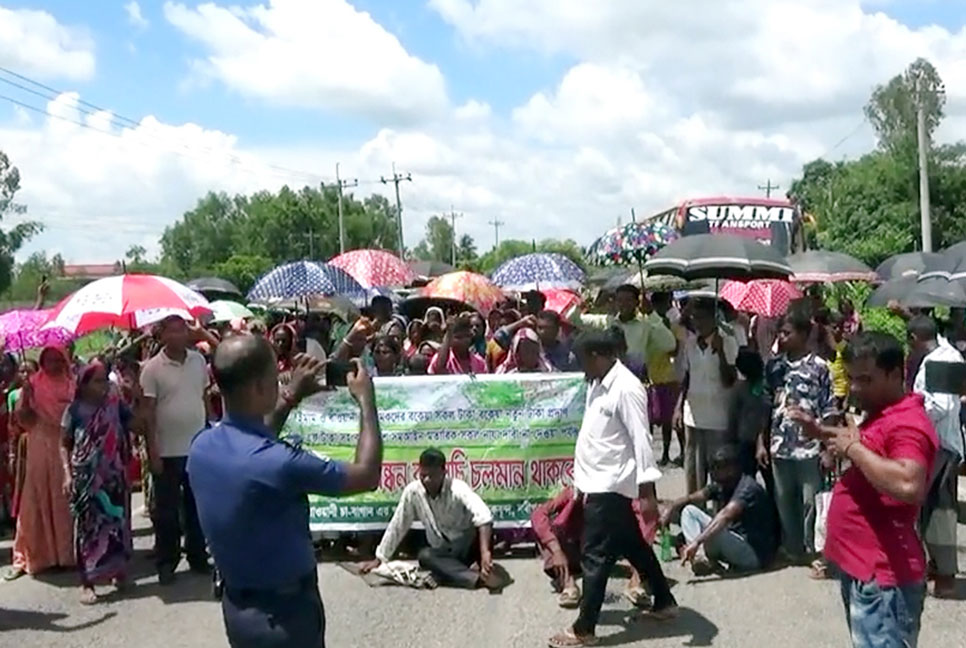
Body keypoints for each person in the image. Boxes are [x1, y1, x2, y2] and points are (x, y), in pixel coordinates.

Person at [189, 337, 383, 648]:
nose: (281, 382)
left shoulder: (201, 447)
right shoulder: (279, 464)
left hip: (238, 609)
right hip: (287, 617)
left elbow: (254, 442)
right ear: (258, 387)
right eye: (274, 377)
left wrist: (291, 395)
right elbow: (367, 475)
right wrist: (366, 400)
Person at [791, 332, 936, 648]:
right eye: (853, 379)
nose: (855, 389)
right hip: (864, 570)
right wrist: (820, 430)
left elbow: (910, 484)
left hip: (885, 578)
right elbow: (868, 445)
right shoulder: (884, 414)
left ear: (896, 375)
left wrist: (853, 450)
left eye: (866, 380)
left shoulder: (908, 424)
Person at [548, 331, 676, 648]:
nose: (580, 369)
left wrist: (647, 493)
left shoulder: (627, 388)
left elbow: (641, 440)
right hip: (595, 482)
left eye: (582, 361)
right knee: (633, 545)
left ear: (597, 356)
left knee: (595, 556)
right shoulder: (597, 383)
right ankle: (664, 601)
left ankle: (585, 628)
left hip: (610, 486)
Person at [360, 448, 505, 590]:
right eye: (423, 475)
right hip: (443, 549)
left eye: (432, 476)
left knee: (476, 537)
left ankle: (452, 572)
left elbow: (484, 515)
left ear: (443, 472)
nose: (427, 480)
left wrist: (485, 552)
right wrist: (380, 559)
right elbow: (398, 524)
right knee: (425, 556)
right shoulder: (413, 492)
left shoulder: (457, 488)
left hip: (467, 545)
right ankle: (474, 578)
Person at [763, 309, 838, 564]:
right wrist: (760, 443)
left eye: (787, 333)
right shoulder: (774, 366)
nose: (782, 338)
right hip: (779, 444)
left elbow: (829, 408)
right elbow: (765, 405)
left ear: (804, 334)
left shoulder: (820, 367)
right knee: (784, 499)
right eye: (780, 333)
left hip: (809, 446)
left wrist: (827, 447)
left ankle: (814, 549)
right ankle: (792, 547)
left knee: (811, 501)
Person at [139, 316, 210, 585]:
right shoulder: (152, 369)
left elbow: (204, 400)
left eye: (183, 330)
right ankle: (167, 561)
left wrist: (211, 434)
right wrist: (152, 451)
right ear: (163, 335)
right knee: (166, 512)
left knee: (197, 507)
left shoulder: (199, 361)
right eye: (173, 331)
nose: (180, 335)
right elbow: (147, 414)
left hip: (198, 447)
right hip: (167, 451)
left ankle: (197, 555)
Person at [61, 361, 135, 604]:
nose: (104, 385)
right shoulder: (74, 411)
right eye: (98, 381)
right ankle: (87, 583)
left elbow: (133, 424)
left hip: (113, 475)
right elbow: (64, 444)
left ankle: (119, 573)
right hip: (86, 479)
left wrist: (139, 399)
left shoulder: (115, 405)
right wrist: (67, 474)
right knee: (88, 529)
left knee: (117, 523)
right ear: (83, 384)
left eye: (106, 379)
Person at [5, 347, 76, 580]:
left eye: (58, 360)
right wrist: (25, 399)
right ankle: (38, 556)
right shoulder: (33, 385)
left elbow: (77, 415)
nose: (54, 365)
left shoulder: (73, 385)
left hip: (67, 445)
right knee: (36, 500)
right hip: (40, 445)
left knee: (64, 500)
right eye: (48, 360)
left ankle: (67, 554)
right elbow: (22, 421)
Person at [531, 485, 655, 609]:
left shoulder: (614, 494)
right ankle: (568, 583)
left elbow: (645, 517)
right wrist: (556, 549)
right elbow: (538, 514)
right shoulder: (574, 492)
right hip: (573, 548)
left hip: (600, 549)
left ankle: (636, 581)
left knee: (637, 525)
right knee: (548, 533)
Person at [908, 315, 962, 598]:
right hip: (939, 443)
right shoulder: (945, 355)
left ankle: (946, 574)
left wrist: (912, 409)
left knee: (940, 511)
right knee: (930, 509)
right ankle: (937, 566)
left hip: (941, 444)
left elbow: (939, 406)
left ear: (915, 339)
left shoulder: (941, 360)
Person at [661, 445, 777, 575]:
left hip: (754, 555)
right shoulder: (723, 484)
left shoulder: (748, 488)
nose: (713, 472)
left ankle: (700, 556)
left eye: (718, 467)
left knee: (714, 528)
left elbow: (725, 516)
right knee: (689, 511)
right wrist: (671, 508)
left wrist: (697, 541)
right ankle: (701, 558)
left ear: (732, 468)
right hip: (734, 541)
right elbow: (692, 498)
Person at [674, 299, 739, 494]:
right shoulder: (690, 344)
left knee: (719, 469)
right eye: (695, 319)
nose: (698, 323)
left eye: (702, 318)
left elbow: (730, 380)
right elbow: (686, 377)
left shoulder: (728, 342)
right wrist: (678, 407)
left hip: (718, 416)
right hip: (693, 415)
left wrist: (720, 353)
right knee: (694, 469)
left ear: (714, 319)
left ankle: (719, 512)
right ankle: (693, 511)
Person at [572, 284, 676, 380]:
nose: (624, 304)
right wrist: (582, 302)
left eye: (628, 300)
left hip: (638, 379)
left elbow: (670, 344)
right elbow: (577, 320)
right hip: (611, 379)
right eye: (620, 300)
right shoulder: (608, 322)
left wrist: (651, 313)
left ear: (637, 302)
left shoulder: (646, 324)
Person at [649, 292, 683, 466]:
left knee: (670, 420)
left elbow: (674, 349)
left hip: (669, 376)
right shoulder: (650, 324)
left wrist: (666, 330)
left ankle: (669, 452)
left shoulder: (672, 323)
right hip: (652, 376)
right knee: (654, 419)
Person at [728, 349, 769, 478]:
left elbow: (732, 416)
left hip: (747, 438)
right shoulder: (766, 386)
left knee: (747, 479)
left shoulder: (739, 388)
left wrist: (731, 439)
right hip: (761, 438)